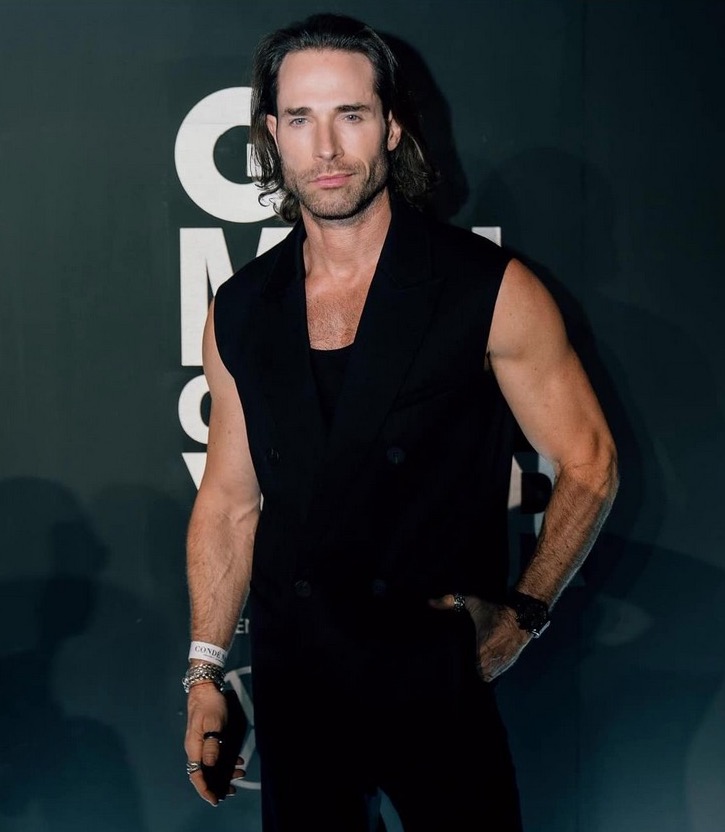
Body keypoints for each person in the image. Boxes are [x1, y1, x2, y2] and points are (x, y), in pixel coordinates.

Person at [182, 13, 618, 831]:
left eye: (349, 115)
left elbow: (588, 460)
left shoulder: (486, 287)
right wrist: (205, 671)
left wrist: (523, 615)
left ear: (390, 126)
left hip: (432, 675)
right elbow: (231, 501)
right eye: (300, 119)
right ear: (271, 135)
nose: (326, 147)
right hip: (296, 677)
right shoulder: (240, 307)